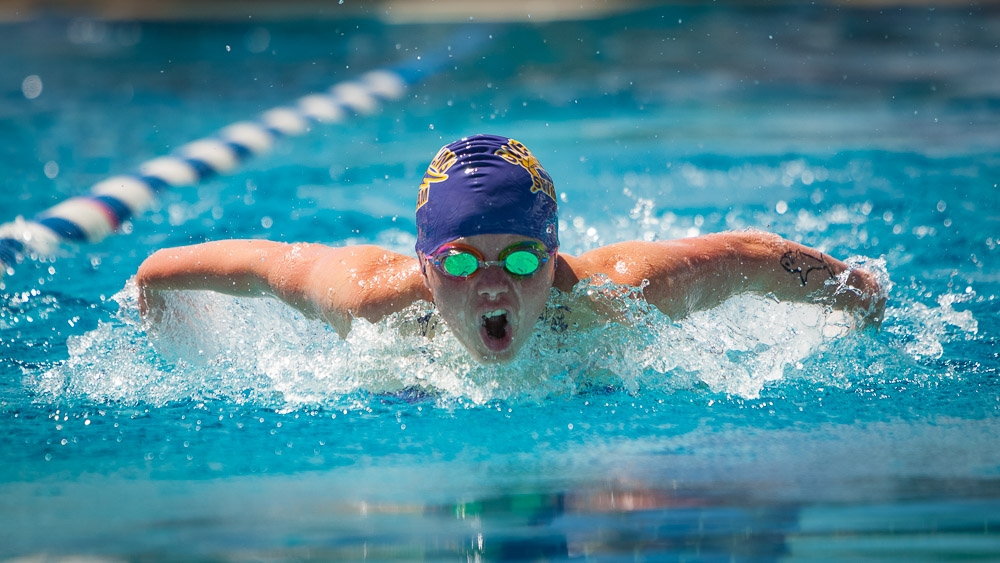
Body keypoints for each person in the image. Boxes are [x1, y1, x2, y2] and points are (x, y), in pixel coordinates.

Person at [136, 134, 885, 363]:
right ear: (427, 265)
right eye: (462, 260)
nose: (492, 283)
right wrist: (155, 302)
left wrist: (857, 292)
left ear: (553, 255)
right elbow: (251, 265)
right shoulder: (370, 295)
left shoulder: (613, 294)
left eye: (522, 259)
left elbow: (750, 254)